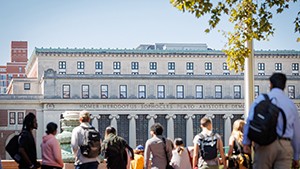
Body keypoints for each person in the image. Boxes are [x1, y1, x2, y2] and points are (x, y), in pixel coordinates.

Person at [243, 73, 300, 169]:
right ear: (284, 86)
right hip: (284, 145)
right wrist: (296, 156)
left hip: (264, 144)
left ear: (270, 84)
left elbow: (250, 121)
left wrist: (246, 142)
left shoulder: (261, 99)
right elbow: (297, 132)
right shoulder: (291, 104)